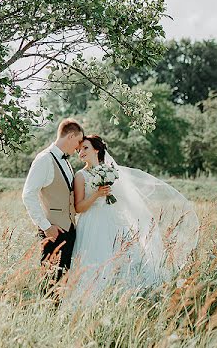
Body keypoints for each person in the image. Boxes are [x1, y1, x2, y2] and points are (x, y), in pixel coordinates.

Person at [66, 134, 199, 306]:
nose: (81, 153)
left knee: (122, 256)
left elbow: (125, 198)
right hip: (92, 222)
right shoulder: (80, 176)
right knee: (95, 259)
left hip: (113, 219)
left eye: (85, 148)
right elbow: (79, 207)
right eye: (79, 150)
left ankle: (126, 297)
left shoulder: (110, 170)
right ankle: (92, 300)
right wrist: (98, 194)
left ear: (96, 149)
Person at [21, 118, 85, 285]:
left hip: (69, 230)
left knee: (63, 282)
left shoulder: (66, 162)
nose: (78, 147)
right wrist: (46, 227)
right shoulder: (44, 160)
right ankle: (46, 311)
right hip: (53, 232)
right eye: (78, 141)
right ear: (70, 136)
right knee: (50, 282)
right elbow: (28, 194)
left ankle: (57, 311)